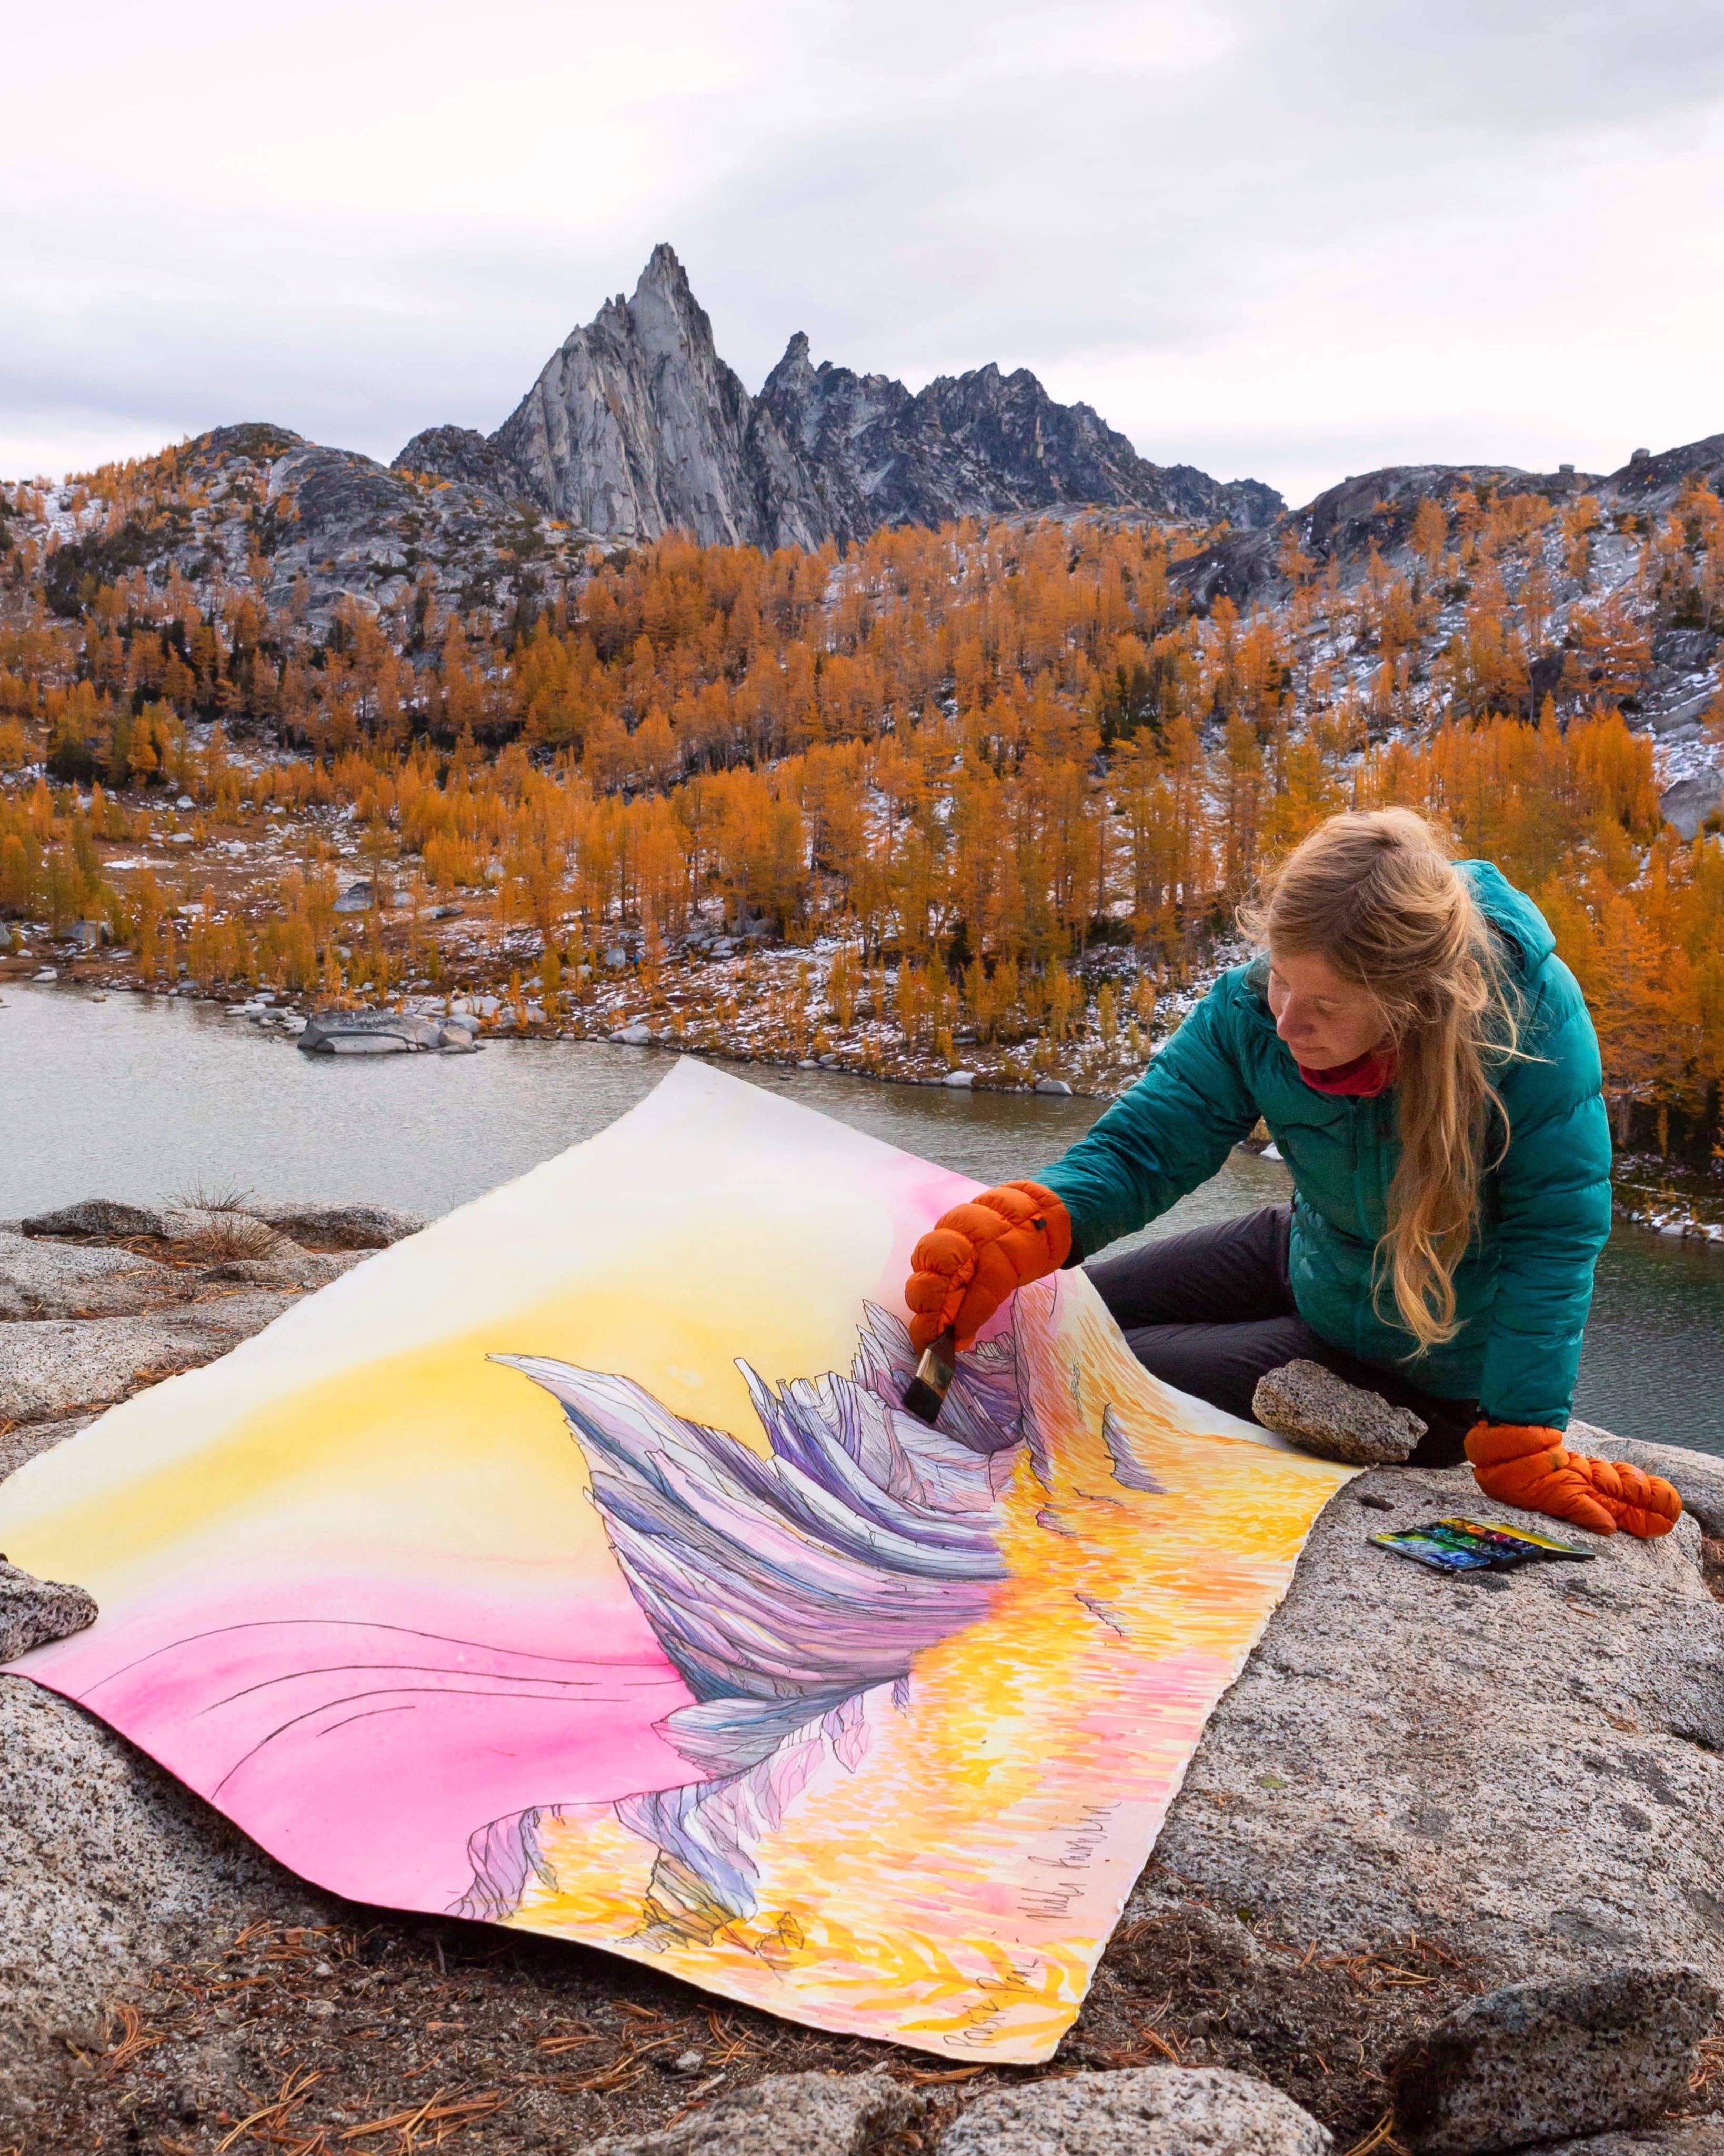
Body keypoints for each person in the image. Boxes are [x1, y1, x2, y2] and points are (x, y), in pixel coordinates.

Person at [904, 808, 1680, 1539]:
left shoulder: (1528, 1023)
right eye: (1280, 979)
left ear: (1411, 1002)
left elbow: (1555, 1237)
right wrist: (1038, 1223)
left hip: (1416, 1369)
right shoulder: (1259, 1006)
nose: (1286, 1022)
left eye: (1327, 1007)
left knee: (1069, 1363)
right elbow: (1148, 1145)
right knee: (1045, 1315)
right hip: (1307, 1252)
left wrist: (1521, 1436)